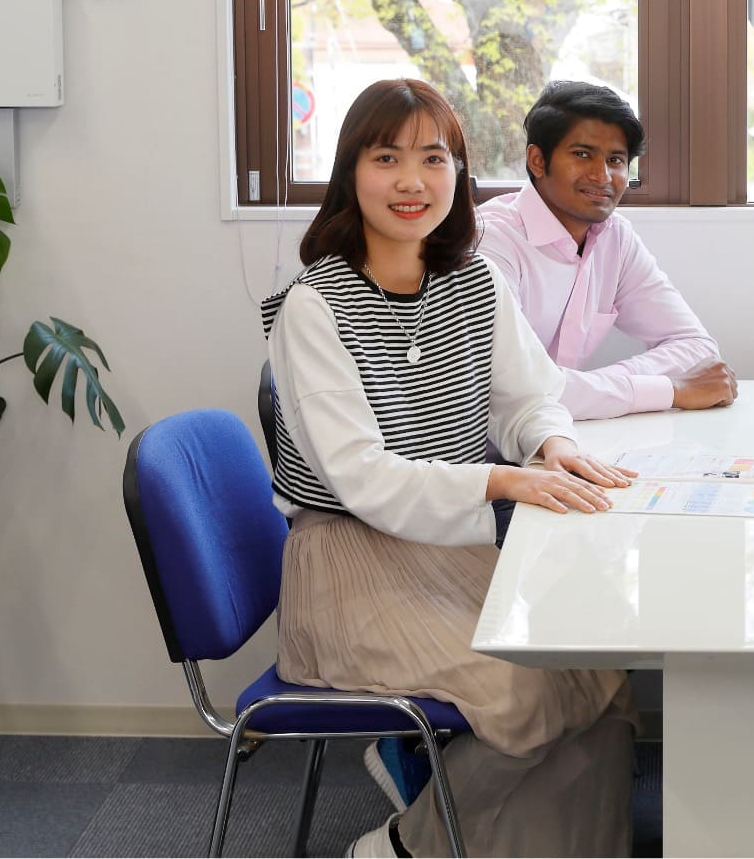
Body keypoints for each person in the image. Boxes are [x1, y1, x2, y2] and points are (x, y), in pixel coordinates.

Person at [263, 78, 638, 858]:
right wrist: (503, 479)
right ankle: (406, 845)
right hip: (347, 562)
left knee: (601, 677)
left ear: (460, 174)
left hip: (450, 554)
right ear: (350, 173)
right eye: (386, 157)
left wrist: (549, 444)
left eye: (434, 158)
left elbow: (527, 397)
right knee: (521, 689)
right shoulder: (314, 304)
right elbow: (363, 478)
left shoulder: (473, 280)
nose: (412, 180)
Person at [476, 80, 736, 420]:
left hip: (566, 438)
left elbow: (696, 349)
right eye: (582, 155)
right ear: (538, 160)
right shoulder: (491, 240)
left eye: (616, 160)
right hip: (485, 457)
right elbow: (515, 392)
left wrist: (582, 388)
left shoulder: (615, 237)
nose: (603, 175)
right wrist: (670, 389)